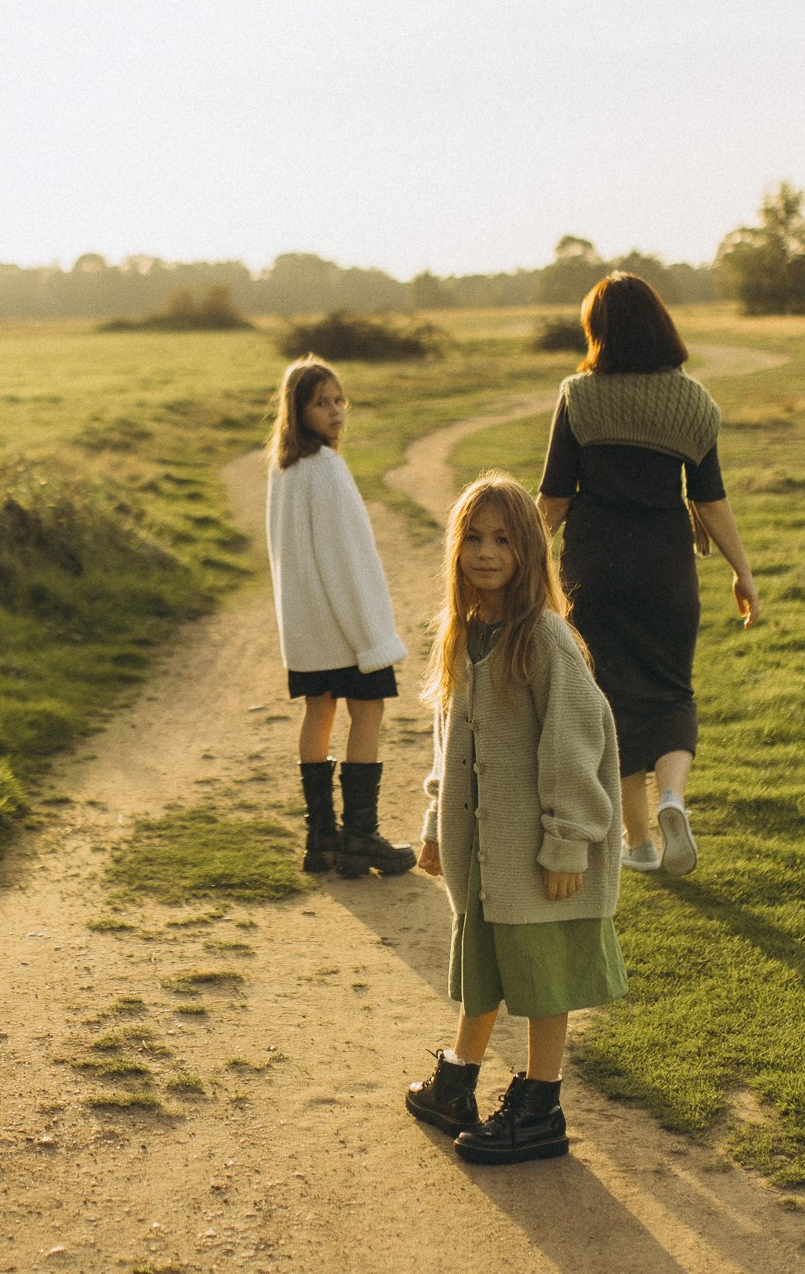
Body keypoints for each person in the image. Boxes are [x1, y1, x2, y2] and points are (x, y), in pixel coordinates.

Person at [403, 472, 624, 1164]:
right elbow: (450, 742)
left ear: (529, 549)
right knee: (486, 964)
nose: (486, 551)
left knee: (541, 973)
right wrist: (437, 820)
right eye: (472, 537)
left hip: (536, 854)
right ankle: (458, 1082)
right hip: (483, 853)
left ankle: (540, 1103)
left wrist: (566, 842)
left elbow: (576, 743)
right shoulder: (464, 634)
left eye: (502, 538)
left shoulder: (544, 638)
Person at [535, 274, 758, 877]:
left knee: (610, 702)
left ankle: (636, 847)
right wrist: (743, 572)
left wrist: (522, 558)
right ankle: (672, 800)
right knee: (672, 690)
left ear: (599, 332)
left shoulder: (579, 396)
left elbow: (554, 498)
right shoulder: (695, 402)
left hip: (594, 571)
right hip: (666, 569)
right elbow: (710, 500)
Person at [265, 355, 415, 878]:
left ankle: (320, 839)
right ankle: (360, 836)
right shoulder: (325, 468)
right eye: (321, 402)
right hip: (345, 627)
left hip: (308, 628)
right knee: (366, 712)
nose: (335, 412)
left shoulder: (284, 468)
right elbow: (346, 560)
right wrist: (373, 636)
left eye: (338, 400)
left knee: (319, 711)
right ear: (298, 409)